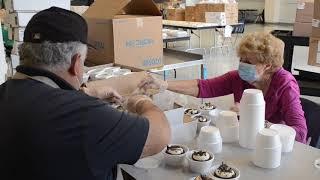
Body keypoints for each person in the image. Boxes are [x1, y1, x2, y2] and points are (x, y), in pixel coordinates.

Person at [0, 7, 170, 180]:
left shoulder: (6, 93)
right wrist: (141, 102)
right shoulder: (82, 116)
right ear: (76, 63)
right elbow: (159, 135)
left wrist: (85, 93)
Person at [139, 32, 308, 143]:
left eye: (249, 62)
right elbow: (203, 87)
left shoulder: (285, 84)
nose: (242, 65)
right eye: (241, 59)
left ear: (268, 66)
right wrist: (164, 85)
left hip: (272, 145)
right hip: (245, 139)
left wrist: (254, 119)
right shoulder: (239, 78)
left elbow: (300, 133)